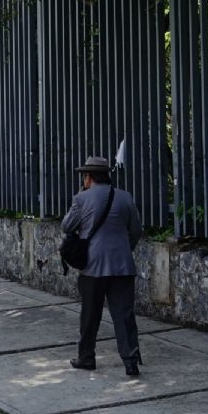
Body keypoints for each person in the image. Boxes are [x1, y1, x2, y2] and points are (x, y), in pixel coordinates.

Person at [62, 156, 143, 376]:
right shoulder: (126, 197)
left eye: (84, 176)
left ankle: (87, 357)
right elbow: (136, 230)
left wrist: (81, 198)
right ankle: (130, 361)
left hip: (93, 266)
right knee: (124, 314)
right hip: (123, 265)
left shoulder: (82, 199)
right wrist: (125, 249)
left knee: (90, 314)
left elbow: (66, 225)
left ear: (89, 177)